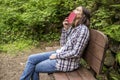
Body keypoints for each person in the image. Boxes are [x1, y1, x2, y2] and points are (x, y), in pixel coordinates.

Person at [20, 6, 90, 80]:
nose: (74, 10)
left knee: (33, 66)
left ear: (83, 16)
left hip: (67, 62)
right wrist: (66, 29)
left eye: (77, 10)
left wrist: (57, 55)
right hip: (61, 54)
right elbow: (63, 44)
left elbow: (76, 53)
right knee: (31, 59)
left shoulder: (83, 30)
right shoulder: (75, 28)